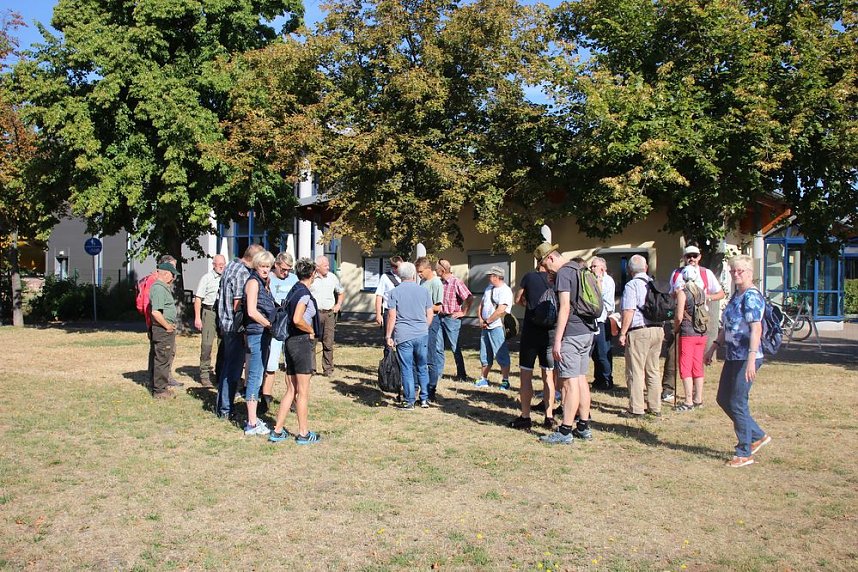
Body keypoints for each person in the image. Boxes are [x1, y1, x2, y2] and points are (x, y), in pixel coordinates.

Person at [705, 254, 771, 467]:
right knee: (724, 398)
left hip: (747, 356)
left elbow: (756, 328)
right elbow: (728, 326)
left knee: (738, 401)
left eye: (740, 271)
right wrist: (714, 346)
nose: (736, 274)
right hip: (733, 355)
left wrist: (752, 358)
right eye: (733, 271)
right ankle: (757, 435)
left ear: (750, 273)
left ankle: (744, 452)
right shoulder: (736, 296)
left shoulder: (752, 296)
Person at [536, 243, 595, 443]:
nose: (546, 270)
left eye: (545, 265)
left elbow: (564, 308)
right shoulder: (579, 269)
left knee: (569, 383)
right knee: (580, 378)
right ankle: (584, 426)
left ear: (551, 258)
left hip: (571, 333)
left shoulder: (563, 273)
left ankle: (565, 431)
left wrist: (558, 340)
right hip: (587, 332)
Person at [270, 257, 323, 444]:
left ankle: (277, 431)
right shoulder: (304, 293)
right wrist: (311, 330)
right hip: (300, 343)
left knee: (291, 389)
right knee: (302, 391)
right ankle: (303, 433)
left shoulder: (294, 289)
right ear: (313, 274)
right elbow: (297, 319)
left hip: (290, 342)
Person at [662, 245, 725, 401]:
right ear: (684, 257)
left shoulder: (706, 273)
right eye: (688, 256)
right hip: (683, 319)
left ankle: (691, 398)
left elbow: (721, 293)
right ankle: (671, 389)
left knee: (688, 361)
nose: (691, 259)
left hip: (696, 322)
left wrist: (705, 298)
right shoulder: (677, 273)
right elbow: (670, 294)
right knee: (674, 354)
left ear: (699, 257)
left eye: (694, 256)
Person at [215, 244, 263, 419]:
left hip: (225, 324)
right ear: (254, 259)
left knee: (228, 367)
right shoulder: (243, 273)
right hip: (235, 328)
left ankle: (223, 407)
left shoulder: (231, 265)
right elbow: (238, 305)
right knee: (233, 370)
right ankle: (226, 410)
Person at [508, 266, 556, 430]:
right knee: (548, 375)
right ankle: (549, 416)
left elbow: (517, 299)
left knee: (526, 374)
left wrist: (527, 302)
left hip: (531, 332)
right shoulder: (556, 279)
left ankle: (525, 416)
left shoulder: (529, 277)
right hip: (550, 333)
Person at [618, 254, 665, 417]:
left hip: (639, 331)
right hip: (658, 329)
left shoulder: (632, 286)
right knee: (653, 369)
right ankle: (655, 406)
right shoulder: (654, 283)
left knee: (635, 370)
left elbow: (629, 310)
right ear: (646, 268)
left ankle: (636, 408)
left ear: (629, 270)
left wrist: (623, 332)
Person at [385, 262, 433, 409]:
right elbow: (430, 313)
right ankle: (424, 399)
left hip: (403, 334)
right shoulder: (424, 291)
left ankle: (409, 400)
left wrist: (388, 336)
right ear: (413, 274)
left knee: (406, 368)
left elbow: (392, 316)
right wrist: (424, 328)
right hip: (421, 333)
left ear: (400, 275)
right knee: (422, 366)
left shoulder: (394, 292)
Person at [261, 252, 297, 412]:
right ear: (276, 265)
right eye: (283, 269)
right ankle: (265, 397)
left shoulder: (294, 280)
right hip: (274, 326)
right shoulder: (268, 277)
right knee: (271, 365)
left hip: (290, 327)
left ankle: (293, 398)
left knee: (291, 366)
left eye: (289, 269)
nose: (286, 273)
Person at [673, 265, 708, 411]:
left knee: (685, 366)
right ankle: (698, 398)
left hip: (688, 333)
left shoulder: (683, 292)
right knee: (697, 366)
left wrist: (675, 329)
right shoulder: (701, 292)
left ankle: (688, 401)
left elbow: (679, 316)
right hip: (701, 333)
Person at [146, 254, 182, 389]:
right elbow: (156, 312)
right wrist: (167, 326)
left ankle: (160, 386)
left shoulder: (162, 287)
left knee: (164, 358)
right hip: (162, 330)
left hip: (164, 329)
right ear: (167, 274)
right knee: (162, 359)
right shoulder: (159, 288)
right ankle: (160, 390)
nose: (174, 278)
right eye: (173, 275)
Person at [474, 266, 513, 390]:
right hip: (485, 327)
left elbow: (501, 310)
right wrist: (481, 319)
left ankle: (505, 381)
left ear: (496, 277)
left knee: (501, 354)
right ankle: (483, 379)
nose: (488, 277)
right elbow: (481, 305)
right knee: (485, 354)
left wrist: (488, 321)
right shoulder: (488, 289)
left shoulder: (505, 291)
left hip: (497, 327)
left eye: (490, 275)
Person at [435, 258, 473, 381]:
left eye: (437, 269)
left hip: (451, 319)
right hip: (440, 317)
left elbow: (469, 297)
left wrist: (463, 312)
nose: (435, 271)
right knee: (438, 347)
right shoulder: (440, 282)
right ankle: (438, 374)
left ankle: (461, 375)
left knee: (455, 347)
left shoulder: (456, 282)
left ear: (442, 270)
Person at [193, 254, 226, 388]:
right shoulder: (206, 278)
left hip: (223, 313)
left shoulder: (226, 278)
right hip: (210, 311)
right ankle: (204, 374)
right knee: (207, 344)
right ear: (213, 265)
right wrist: (197, 318)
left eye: (223, 264)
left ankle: (220, 374)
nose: (222, 267)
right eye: (219, 265)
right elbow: (198, 298)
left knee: (223, 344)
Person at [310, 255, 344, 377]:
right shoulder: (311, 278)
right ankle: (311, 369)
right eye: (325, 266)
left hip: (329, 314)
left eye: (328, 265)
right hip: (314, 314)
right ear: (317, 267)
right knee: (311, 342)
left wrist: (338, 305)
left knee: (328, 342)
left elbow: (340, 292)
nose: (328, 267)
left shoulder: (332, 277)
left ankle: (328, 369)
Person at [416, 256, 444, 402]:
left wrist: (423, 305)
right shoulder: (422, 281)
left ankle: (432, 388)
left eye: (420, 271)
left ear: (428, 269)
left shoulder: (436, 283)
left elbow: (438, 307)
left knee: (430, 355)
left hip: (432, 321)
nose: (419, 274)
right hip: (420, 320)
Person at [589, 256, 615, 391]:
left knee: (603, 351)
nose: (592, 269)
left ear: (602, 268)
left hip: (602, 320)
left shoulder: (607, 281)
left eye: (594, 266)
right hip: (593, 320)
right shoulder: (592, 279)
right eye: (591, 266)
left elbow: (598, 296)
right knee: (594, 352)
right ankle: (598, 377)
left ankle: (606, 379)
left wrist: (598, 282)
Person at [374, 256, 403, 355]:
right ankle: (388, 364)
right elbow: (379, 296)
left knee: (402, 340)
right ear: (393, 268)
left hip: (403, 312)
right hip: (389, 312)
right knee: (389, 339)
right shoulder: (385, 277)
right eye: (399, 267)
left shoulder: (406, 277)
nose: (401, 269)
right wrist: (378, 314)